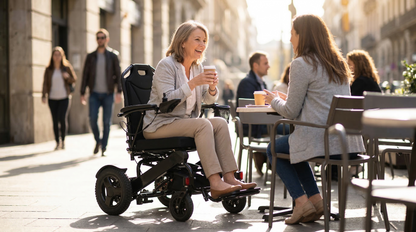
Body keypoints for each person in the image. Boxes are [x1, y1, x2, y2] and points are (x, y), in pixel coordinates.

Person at [264, 14, 365, 225]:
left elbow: (290, 112)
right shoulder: (338, 63)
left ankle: (301, 202)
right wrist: (286, 99)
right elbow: (319, 101)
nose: (291, 39)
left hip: (321, 140)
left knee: (274, 148)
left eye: (293, 34)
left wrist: (273, 100)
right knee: (293, 149)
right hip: (347, 142)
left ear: (303, 35)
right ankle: (317, 202)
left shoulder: (301, 63)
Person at [142, 20, 256, 199]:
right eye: (197, 39)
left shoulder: (197, 67)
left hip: (183, 122)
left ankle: (229, 177)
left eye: (204, 41)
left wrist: (211, 87)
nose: (202, 44)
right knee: (203, 124)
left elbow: (207, 100)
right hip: (160, 123)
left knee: (219, 122)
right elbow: (167, 100)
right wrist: (194, 83)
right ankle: (215, 182)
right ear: (183, 42)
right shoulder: (166, 65)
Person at [80, 28, 122, 156]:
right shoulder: (91, 56)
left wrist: (119, 91)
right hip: (94, 93)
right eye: (98, 38)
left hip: (108, 93)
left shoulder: (113, 56)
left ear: (107, 39)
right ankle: (98, 141)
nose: (100, 40)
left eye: (102, 37)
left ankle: (104, 146)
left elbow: (118, 74)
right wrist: (82, 92)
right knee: (92, 119)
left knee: (106, 122)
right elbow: (85, 74)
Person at [42, 46, 77, 150]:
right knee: (54, 120)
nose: (57, 57)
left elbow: (74, 79)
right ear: (52, 56)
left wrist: (67, 77)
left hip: (64, 97)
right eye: (55, 55)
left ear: (62, 56)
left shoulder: (66, 67)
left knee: (62, 118)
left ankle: (63, 141)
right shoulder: (49, 69)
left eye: (59, 55)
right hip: (52, 98)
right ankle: (57, 142)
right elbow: (45, 83)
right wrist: (44, 95)